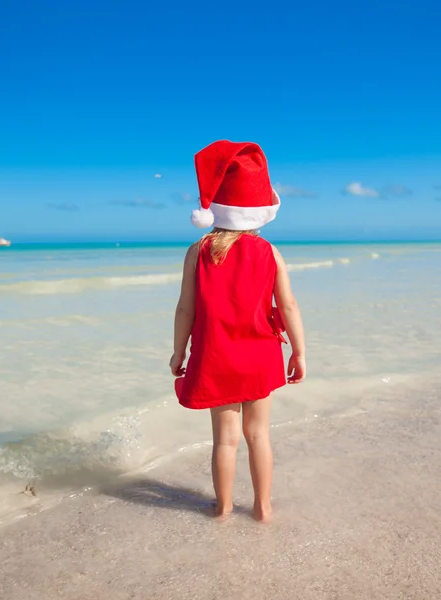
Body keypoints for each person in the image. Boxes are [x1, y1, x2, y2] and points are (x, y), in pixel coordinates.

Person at [169, 140, 306, 522]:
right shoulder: (270, 253)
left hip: (217, 357)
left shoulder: (199, 251)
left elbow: (185, 308)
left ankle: (223, 507)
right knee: (258, 434)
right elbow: (289, 305)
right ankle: (263, 507)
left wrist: (179, 352)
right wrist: (299, 352)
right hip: (260, 355)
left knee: (225, 440)